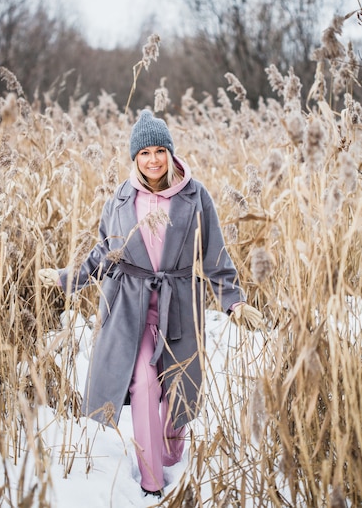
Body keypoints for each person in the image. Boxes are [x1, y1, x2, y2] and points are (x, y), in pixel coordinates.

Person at [39, 109, 262, 499]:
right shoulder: (122, 199)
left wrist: (234, 302)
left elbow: (214, 255)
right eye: (145, 153)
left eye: (160, 150)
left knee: (177, 388)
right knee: (143, 383)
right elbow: (104, 252)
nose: (154, 159)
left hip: (178, 303)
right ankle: (152, 483)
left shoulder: (196, 196)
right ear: (134, 157)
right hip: (130, 305)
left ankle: (172, 457)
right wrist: (67, 278)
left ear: (171, 153)